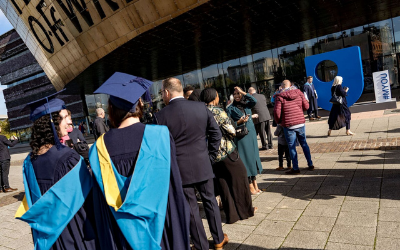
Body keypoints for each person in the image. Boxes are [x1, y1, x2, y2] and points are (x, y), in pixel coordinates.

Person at [89, 72, 190, 250]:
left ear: (110, 109)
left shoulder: (98, 148)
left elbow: (100, 210)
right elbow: (174, 192)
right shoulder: (160, 136)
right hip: (161, 231)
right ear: (140, 103)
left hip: (120, 236)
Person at [15, 92, 97, 249]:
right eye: (65, 117)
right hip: (76, 233)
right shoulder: (68, 158)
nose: (69, 122)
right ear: (52, 122)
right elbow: (90, 200)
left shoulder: (29, 162)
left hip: (48, 239)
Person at [154, 78, 228, 250]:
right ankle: (218, 240)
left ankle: (201, 245)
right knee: (210, 201)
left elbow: (160, 147)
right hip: (203, 163)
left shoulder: (160, 116)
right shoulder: (201, 107)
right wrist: (210, 156)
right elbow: (216, 134)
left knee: (192, 209)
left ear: (166, 92)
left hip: (179, 169)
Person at [200, 88, 256, 224]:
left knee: (223, 182)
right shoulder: (217, 111)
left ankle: (232, 215)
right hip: (226, 151)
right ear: (214, 98)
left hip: (212, 154)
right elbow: (230, 131)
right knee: (240, 177)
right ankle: (246, 211)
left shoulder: (200, 112)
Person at [226, 86, 263, 195]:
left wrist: (243, 92)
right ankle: (249, 185)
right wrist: (239, 121)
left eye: (239, 94)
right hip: (241, 136)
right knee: (245, 159)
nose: (237, 96)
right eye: (235, 94)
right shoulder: (230, 108)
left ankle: (255, 183)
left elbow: (254, 100)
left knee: (253, 158)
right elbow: (228, 124)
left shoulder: (247, 104)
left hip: (251, 134)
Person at [273, 80, 314, 174]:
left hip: (288, 124)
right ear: (290, 85)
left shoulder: (279, 96)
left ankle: (296, 168)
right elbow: (306, 106)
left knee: (291, 146)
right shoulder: (298, 92)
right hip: (300, 122)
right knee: (304, 143)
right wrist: (300, 111)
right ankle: (310, 164)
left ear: (282, 86)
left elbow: (276, 112)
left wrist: (279, 121)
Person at [0, 129, 18, 193]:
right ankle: (7, 187)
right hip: (4, 158)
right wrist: (16, 140)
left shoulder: (2, 138)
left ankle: (1, 188)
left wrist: (9, 140)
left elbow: (5, 143)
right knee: (5, 173)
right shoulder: (2, 137)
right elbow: (11, 145)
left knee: (0, 173)